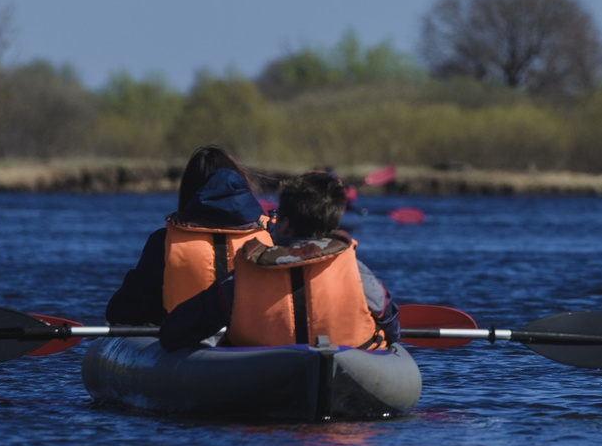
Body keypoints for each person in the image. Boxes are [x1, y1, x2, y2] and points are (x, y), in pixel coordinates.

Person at [158, 170, 399, 351]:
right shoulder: (357, 272)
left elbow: (176, 331)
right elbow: (390, 322)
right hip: (348, 363)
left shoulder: (243, 277)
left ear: (284, 224)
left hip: (263, 372)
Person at [105, 146, 274, 327]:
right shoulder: (269, 236)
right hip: (253, 342)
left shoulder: (163, 242)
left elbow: (122, 312)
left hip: (183, 342)